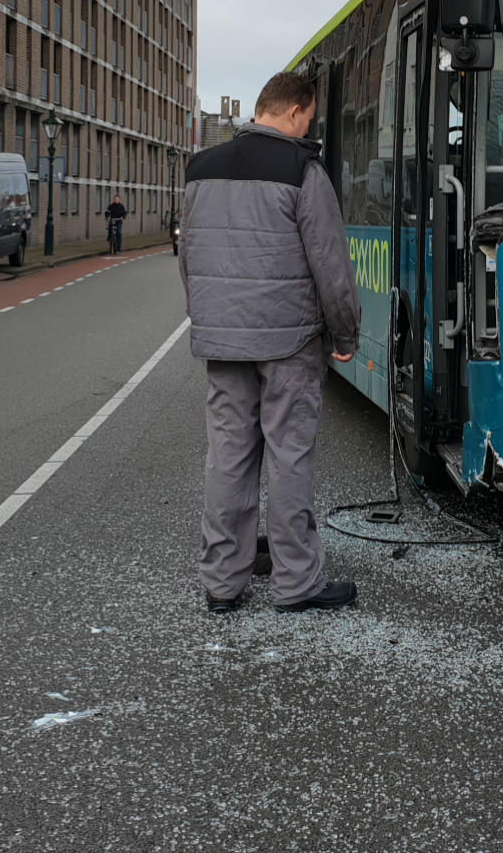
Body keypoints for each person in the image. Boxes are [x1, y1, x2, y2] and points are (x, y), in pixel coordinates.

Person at [179, 71, 360, 614]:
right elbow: (330, 264)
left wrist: (207, 318)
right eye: (308, 118)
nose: (309, 127)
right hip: (289, 342)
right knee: (288, 455)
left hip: (223, 340)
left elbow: (189, 258)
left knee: (228, 456)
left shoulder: (200, 169)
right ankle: (296, 582)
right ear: (295, 113)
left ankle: (223, 583)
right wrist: (345, 332)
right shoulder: (303, 170)